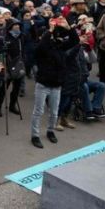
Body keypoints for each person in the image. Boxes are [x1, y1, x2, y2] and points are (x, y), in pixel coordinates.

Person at [31, 17, 76, 148]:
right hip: (43, 84)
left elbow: (74, 41)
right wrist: (49, 30)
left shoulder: (60, 47)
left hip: (57, 85)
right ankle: (35, 135)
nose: (58, 38)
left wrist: (69, 28)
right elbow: (41, 45)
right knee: (38, 111)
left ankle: (50, 131)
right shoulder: (43, 49)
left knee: (54, 112)